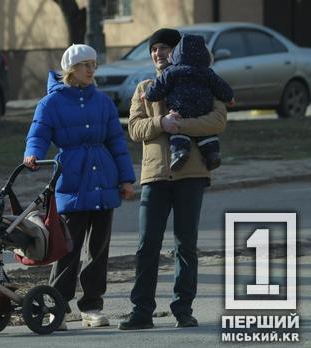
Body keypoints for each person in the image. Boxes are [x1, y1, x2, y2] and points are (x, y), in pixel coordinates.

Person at [118, 28, 227, 330]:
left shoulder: (203, 79)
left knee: (186, 245)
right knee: (146, 245)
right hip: (154, 176)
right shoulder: (145, 87)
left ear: (177, 52)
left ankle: (183, 309)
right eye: (155, 48)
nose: (159, 53)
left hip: (191, 174)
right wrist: (161, 123)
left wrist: (180, 126)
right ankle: (141, 311)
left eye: (166, 48)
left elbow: (218, 120)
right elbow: (135, 128)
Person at [23, 44, 137, 330]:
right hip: (72, 180)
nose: (91, 69)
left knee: (98, 250)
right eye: (86, 64)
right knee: (67, 249)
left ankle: (92, 307)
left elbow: (117, 143)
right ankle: (56, 307)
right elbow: (38, 131)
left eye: (93, 64)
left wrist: (125, 179)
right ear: (71, 68)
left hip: (104, 181)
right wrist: (32, 153)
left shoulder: (103, 102)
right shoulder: (51, 103)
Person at [142, 34, 234, 171]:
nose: (158, 53)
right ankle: (212, 153)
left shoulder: (171, 72)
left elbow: (159, 87)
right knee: (207, 136)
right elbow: (221, 86)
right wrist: (229, 97)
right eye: (154, 49)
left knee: (178, 134)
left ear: (174, 54)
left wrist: (148, 95)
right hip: (203, 108)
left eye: (163, 48)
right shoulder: (207, 73)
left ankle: (179, 152)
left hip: (181, 108)